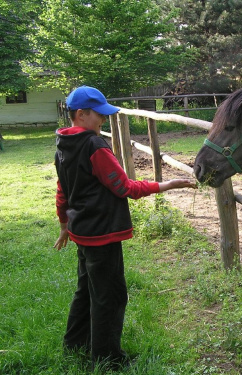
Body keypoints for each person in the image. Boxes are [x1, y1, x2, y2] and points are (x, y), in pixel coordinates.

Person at [53, 85, 197, 369]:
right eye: (99, 116)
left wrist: (64, 225)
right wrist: (167, 184)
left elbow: (62, 191)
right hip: (102, 233)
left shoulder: (62, 144)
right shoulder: (95, 146)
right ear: (81, 114)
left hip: (82, 231)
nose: (103, 121)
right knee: (110, 295)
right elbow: (125, 187)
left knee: (87, 289)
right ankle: (107, 358)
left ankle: (75, 343)